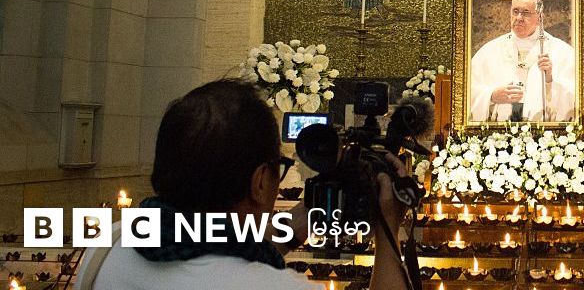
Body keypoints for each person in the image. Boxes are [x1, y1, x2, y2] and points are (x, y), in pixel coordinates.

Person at [75, 79, 411, 290]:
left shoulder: (109, 247)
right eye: (277, 170)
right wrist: (388, 230)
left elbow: (215, 244)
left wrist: (299, 222)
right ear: (260, 182)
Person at [470, 0, 575, 122]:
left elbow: (576, 97)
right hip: (499, 130)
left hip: (543, 131)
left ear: (540, 17)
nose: (519, 17)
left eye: (526, 13)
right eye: (515, 11)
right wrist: (491, 95)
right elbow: (466, 92)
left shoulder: (562, 52)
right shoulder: (490, 51)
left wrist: (550, 80)